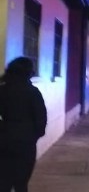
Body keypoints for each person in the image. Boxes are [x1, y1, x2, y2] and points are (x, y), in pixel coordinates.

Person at [0, 57, 47, 192]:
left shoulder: (2, 91)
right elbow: (41, 122)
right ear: (29, 73)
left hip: (4, 141)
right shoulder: (33, 93)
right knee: (21, 183)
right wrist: (32, 136)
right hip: (26, 143)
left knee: (3, 183)